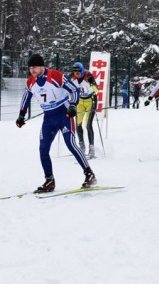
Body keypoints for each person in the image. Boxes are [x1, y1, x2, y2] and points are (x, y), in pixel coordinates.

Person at [16, 54, 96, 192]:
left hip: (64, 115)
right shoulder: (30, 82)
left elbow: (74, 89)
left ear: (42, 66)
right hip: (48, 118)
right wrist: (21, 115)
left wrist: (72, 105)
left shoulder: (55, 76)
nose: (32, 70)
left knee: (70, 144)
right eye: (30, 67)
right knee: (43, 148)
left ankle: (89, 174)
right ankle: (49, 180)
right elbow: (26, 97)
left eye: (35, 67)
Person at [70, 62, 99, 158]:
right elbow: (68, 89)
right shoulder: (73, 77)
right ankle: (82, 147)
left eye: (78, 72)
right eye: (75, 72)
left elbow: (97, 90)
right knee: (78, 124)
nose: (76, 74)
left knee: (88, 124)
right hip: (80, 101)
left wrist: (92, 83)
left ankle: (91, 150)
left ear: (82, 70)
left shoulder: (88, 75)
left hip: (91, 101)